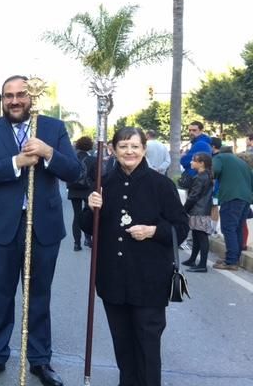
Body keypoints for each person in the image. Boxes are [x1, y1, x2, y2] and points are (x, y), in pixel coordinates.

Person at [0, 75, 81, 386]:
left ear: (31, 96)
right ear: (2, 100)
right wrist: (16, 161)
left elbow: (74, 171)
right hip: (1, 226)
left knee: (39, 296)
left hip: (43, 226)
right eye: (9, 96)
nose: (15, 101)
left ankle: (40, 361)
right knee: (1, 295)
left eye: (21, 94)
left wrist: (48, 153)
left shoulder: (52, 128)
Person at [83, 127, 189, 386]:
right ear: (113, 150)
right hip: (113, 280)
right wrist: (91, 207)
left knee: (147, 345)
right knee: (123, 343)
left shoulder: (161, 184)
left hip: (149, 280)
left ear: (143, 149)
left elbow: (181, 227)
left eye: (134, 146)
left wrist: (154, 231)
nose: (129, 151)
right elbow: (87, 226)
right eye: (123, 146)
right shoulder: (103, 184)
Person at [211, 142, 253, 271]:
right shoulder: (241, 162)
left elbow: (215, 171)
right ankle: (234, 258)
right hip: (245, 198)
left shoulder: (219, 157)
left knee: (228, 228)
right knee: (238, 228)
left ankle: (231, 261)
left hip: (231, 198)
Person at [181, 152, 214, 272]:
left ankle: (202, 264)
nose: (191, 162)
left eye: (194, 160)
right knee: (196, 235)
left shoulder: (201, 177)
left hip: (199, 210)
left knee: (201, 236)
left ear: (201, 163)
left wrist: (184, 209)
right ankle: (193, 259)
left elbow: (193, 196)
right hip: (201, 210)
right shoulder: (205, 175)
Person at [66, 136, 96, 251]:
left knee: (76, 215)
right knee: (89, 214)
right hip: (88, 191)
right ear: (89, 146)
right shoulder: (93, 159)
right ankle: (88, 239)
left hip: (74, 190)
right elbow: (96, 177)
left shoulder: (71, 158)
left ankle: (76, 243)